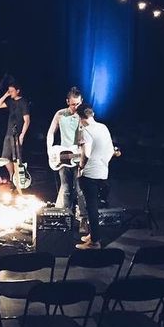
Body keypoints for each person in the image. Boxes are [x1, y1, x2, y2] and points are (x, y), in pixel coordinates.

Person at [46, 86, 88, 233]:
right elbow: (50, 133)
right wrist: (49, 149)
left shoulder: (84, 116)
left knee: (80, 189)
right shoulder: (60, 114)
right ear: (67, 102)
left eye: (78, 104)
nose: (76, 107)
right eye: (73, 104)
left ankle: (83, 219)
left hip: (78, 156)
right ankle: (65, 218)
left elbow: (87, 139)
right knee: (65, 188)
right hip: (63, 156)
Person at [75, 103, 115, 250]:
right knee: (95, 205)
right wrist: (102, 163)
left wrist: (80, 167)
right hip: (103, 172)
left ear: (81, 117)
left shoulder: (86, 131)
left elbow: (86, 154)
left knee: (91, 206)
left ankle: (95, 242)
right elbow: (110, 150)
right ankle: (93, 234)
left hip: (89, 173)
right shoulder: (103, 127)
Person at [0, 82, 30, 186]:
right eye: (9, 91)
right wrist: (5, 95)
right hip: (8, 133)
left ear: (17, 91)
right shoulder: (10, 101)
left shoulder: (23, 102)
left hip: (17, 134)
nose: (10, 93)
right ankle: (12, 175)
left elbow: (27, 120)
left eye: (12, 91)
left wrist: (22, 135)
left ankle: (18, 179)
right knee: (4, 157)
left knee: (17, 158)